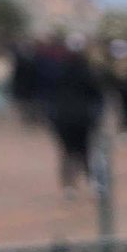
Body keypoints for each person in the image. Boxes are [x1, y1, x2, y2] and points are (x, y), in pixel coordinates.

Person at [44, 33, 103, 198]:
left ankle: (69, 185)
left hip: (63, 117)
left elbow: (49, 94)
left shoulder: (57, 70)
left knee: (68, 151)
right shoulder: (89, 71)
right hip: (82, 117)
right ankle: (89, 182)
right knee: (84, 150)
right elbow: (97, 95)